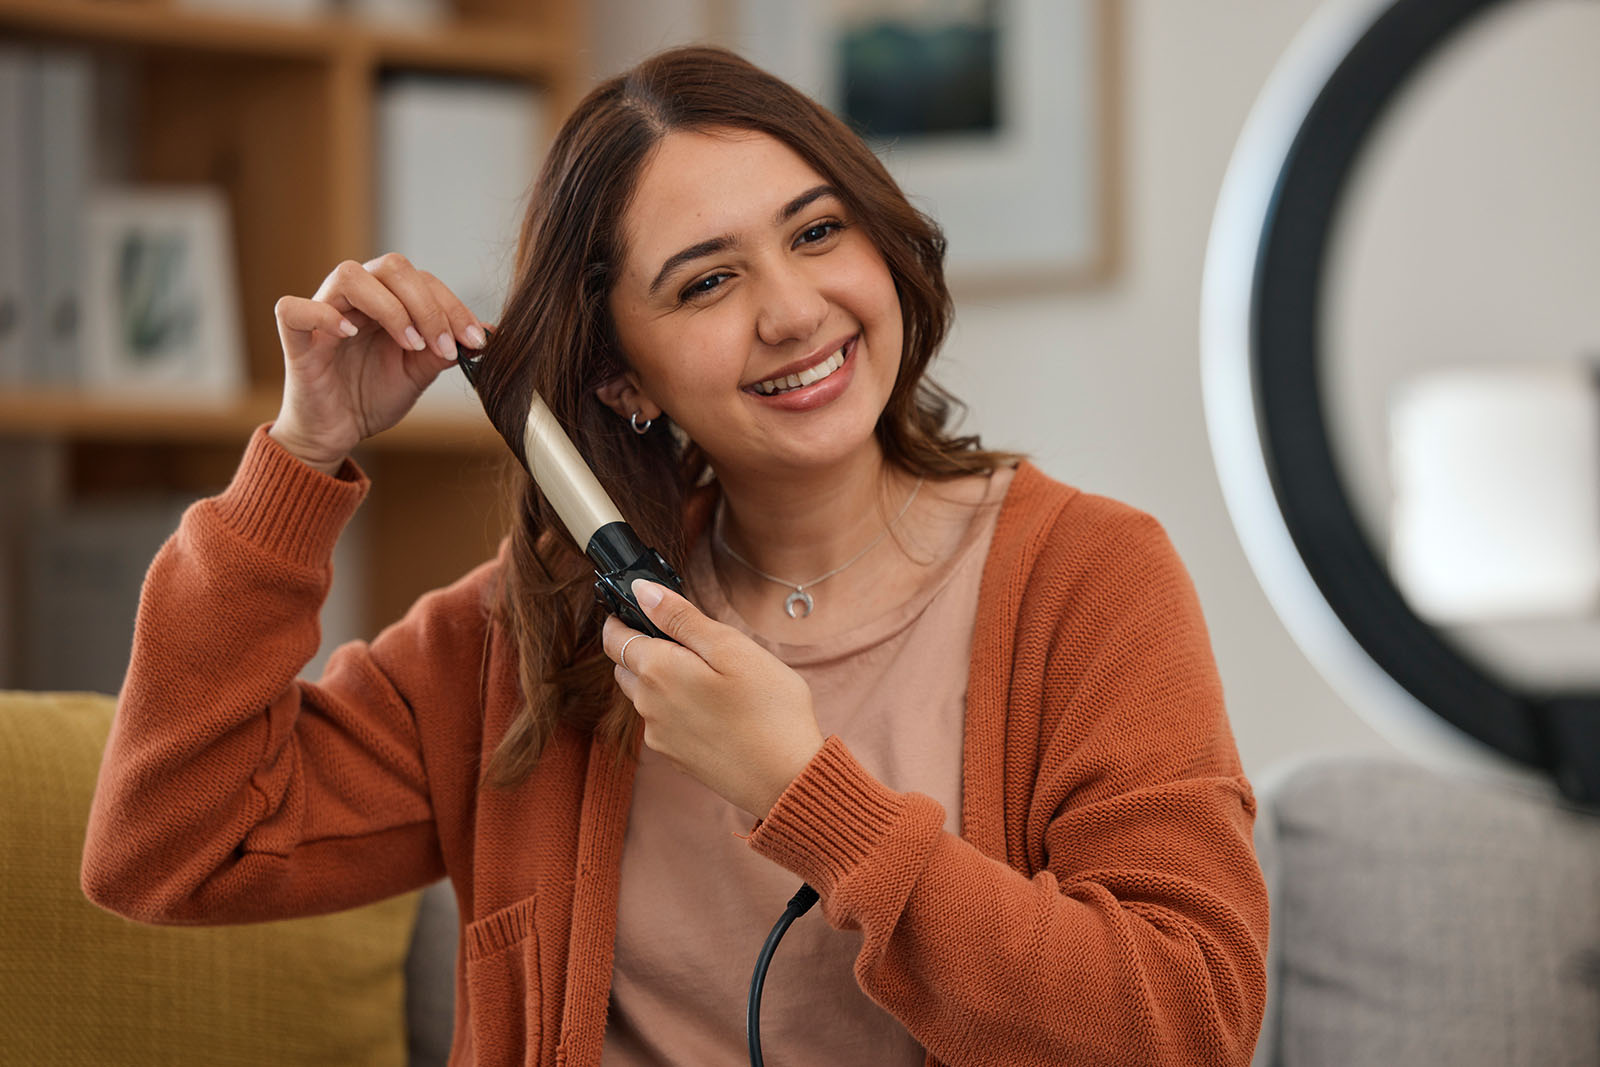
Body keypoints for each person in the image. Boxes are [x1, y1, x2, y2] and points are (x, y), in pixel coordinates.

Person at [81, 45, 1268, 1067]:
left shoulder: (1090, 579)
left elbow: (1187, 1020)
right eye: (707, 282)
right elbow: (171, 847)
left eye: (817, 231)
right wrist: (303, 451)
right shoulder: (537, 633)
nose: (792, 310)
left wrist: (806, 792)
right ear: (620, 378)